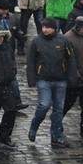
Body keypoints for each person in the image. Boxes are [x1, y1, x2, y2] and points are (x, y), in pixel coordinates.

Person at [26, 18, 73, 147]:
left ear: (54, 28)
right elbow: (30, 62)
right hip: (44, 79)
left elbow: (70, 59)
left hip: (60, 80)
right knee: (44, 105)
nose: (45, 29)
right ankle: (34, 125)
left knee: (58, 109)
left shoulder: (63, 40)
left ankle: (56, 136)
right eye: (43, 27)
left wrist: (71, 76)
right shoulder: (36, 42)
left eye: (48, 27)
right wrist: (31, 78)